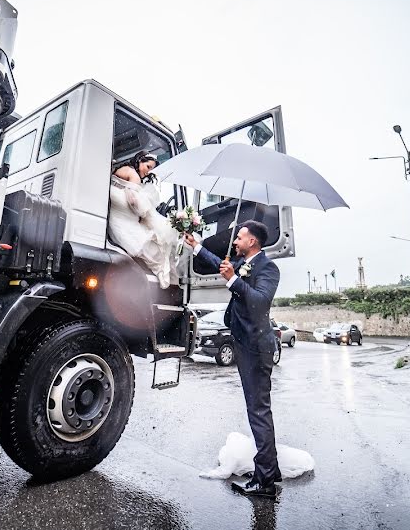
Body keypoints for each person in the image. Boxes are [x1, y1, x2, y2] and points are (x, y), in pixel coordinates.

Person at [185, 221, 282, 498]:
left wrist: (232, 280)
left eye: (239, 238)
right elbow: (220, 262)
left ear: (252, 242)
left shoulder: (269, 269)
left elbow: (259, 301)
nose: (235, 242)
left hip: (256, 348)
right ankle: (269, 469)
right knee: (258, 410)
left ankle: (264, 483)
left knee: (258, 411)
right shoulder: (244, 263)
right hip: (244, 344)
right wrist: (197, 246)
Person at [107, 151, 180, 288]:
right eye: (148, 167)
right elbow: (137, 207)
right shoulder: (134, 176)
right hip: (124, 224)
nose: (148, 172)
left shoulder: (119, 171)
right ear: (139, 161)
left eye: (151, 169)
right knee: (156, 251)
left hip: (115, 222)